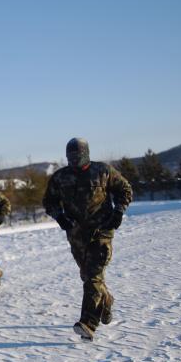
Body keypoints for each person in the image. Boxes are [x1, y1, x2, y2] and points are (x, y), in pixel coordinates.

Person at [43, 138, 133, 341]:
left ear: (86, 153)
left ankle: (88, 324)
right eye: (71, 156)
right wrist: (59, 217)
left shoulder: (103, 171)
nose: (74, 159)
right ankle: (106, 300)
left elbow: (125, 190)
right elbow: (49, 201)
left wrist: (118, 211)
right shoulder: (60, 177)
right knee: (89, 276)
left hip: (101, 232)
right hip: (76, 235)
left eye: (78, 155)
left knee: (93, 275)